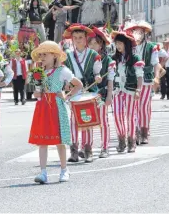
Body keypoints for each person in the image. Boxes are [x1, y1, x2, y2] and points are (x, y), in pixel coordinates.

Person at [28, 41, 83, 184]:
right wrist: (37, 93)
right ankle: (43, 172)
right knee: (42, 141)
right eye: (40, 55)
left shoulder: (62, 70)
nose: (42, 57)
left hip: (56, 107)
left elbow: (78, 85)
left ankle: (64, 170)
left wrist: (66, 95)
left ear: (54, 56)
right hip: (42, 107)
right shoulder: (39, 72)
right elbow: (37, 92)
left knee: (59, 141)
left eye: (45, 54)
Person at [62, 24, 102, 163]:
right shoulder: (67, 56)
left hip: (89, 91)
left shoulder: (93, 55)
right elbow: (65, 74)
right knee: (73, 121)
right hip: (74, 91)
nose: (78, 40)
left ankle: (88, 150)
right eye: (75, 38)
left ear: (86, 38)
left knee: (88, 121)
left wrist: (97, 77)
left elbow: (97, 72)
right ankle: (73, 151)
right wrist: (66, 84)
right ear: (72, 39)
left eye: (80, 37)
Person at [124, 21, 162, 144]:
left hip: (146, 80)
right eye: (135, 32)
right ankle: (135, 131)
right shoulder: (129, 46)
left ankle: (144, 132)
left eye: (140, 32)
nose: (137, 34)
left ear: (144, 34)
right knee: (132, 107)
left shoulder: (151, 47)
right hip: (131, 80)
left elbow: (156, 63)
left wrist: (157, 77)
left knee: (144, 107)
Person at [111, 31, 144, 153]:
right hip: (117, 91)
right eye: (117, 43)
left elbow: (140, 76)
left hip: (130, 90)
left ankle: (131, 141)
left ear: (126, 44)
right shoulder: (114, 58)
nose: (118, 46)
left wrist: (138, 90)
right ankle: (121, 140)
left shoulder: (135, 58)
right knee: (117, 115)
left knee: (130, 116)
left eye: (120, 43)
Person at [88, 27, 116, 158]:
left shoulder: (108, 61)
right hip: (88, 95)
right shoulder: (87, 58)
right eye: (90, 43)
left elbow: (110, 80)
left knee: (103, 121)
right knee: (87, 121)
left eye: (96, 43)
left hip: (102, 94)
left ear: (101, 44)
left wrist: (109, 95)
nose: (93, 46)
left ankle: (105, 147)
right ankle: (87, 147)